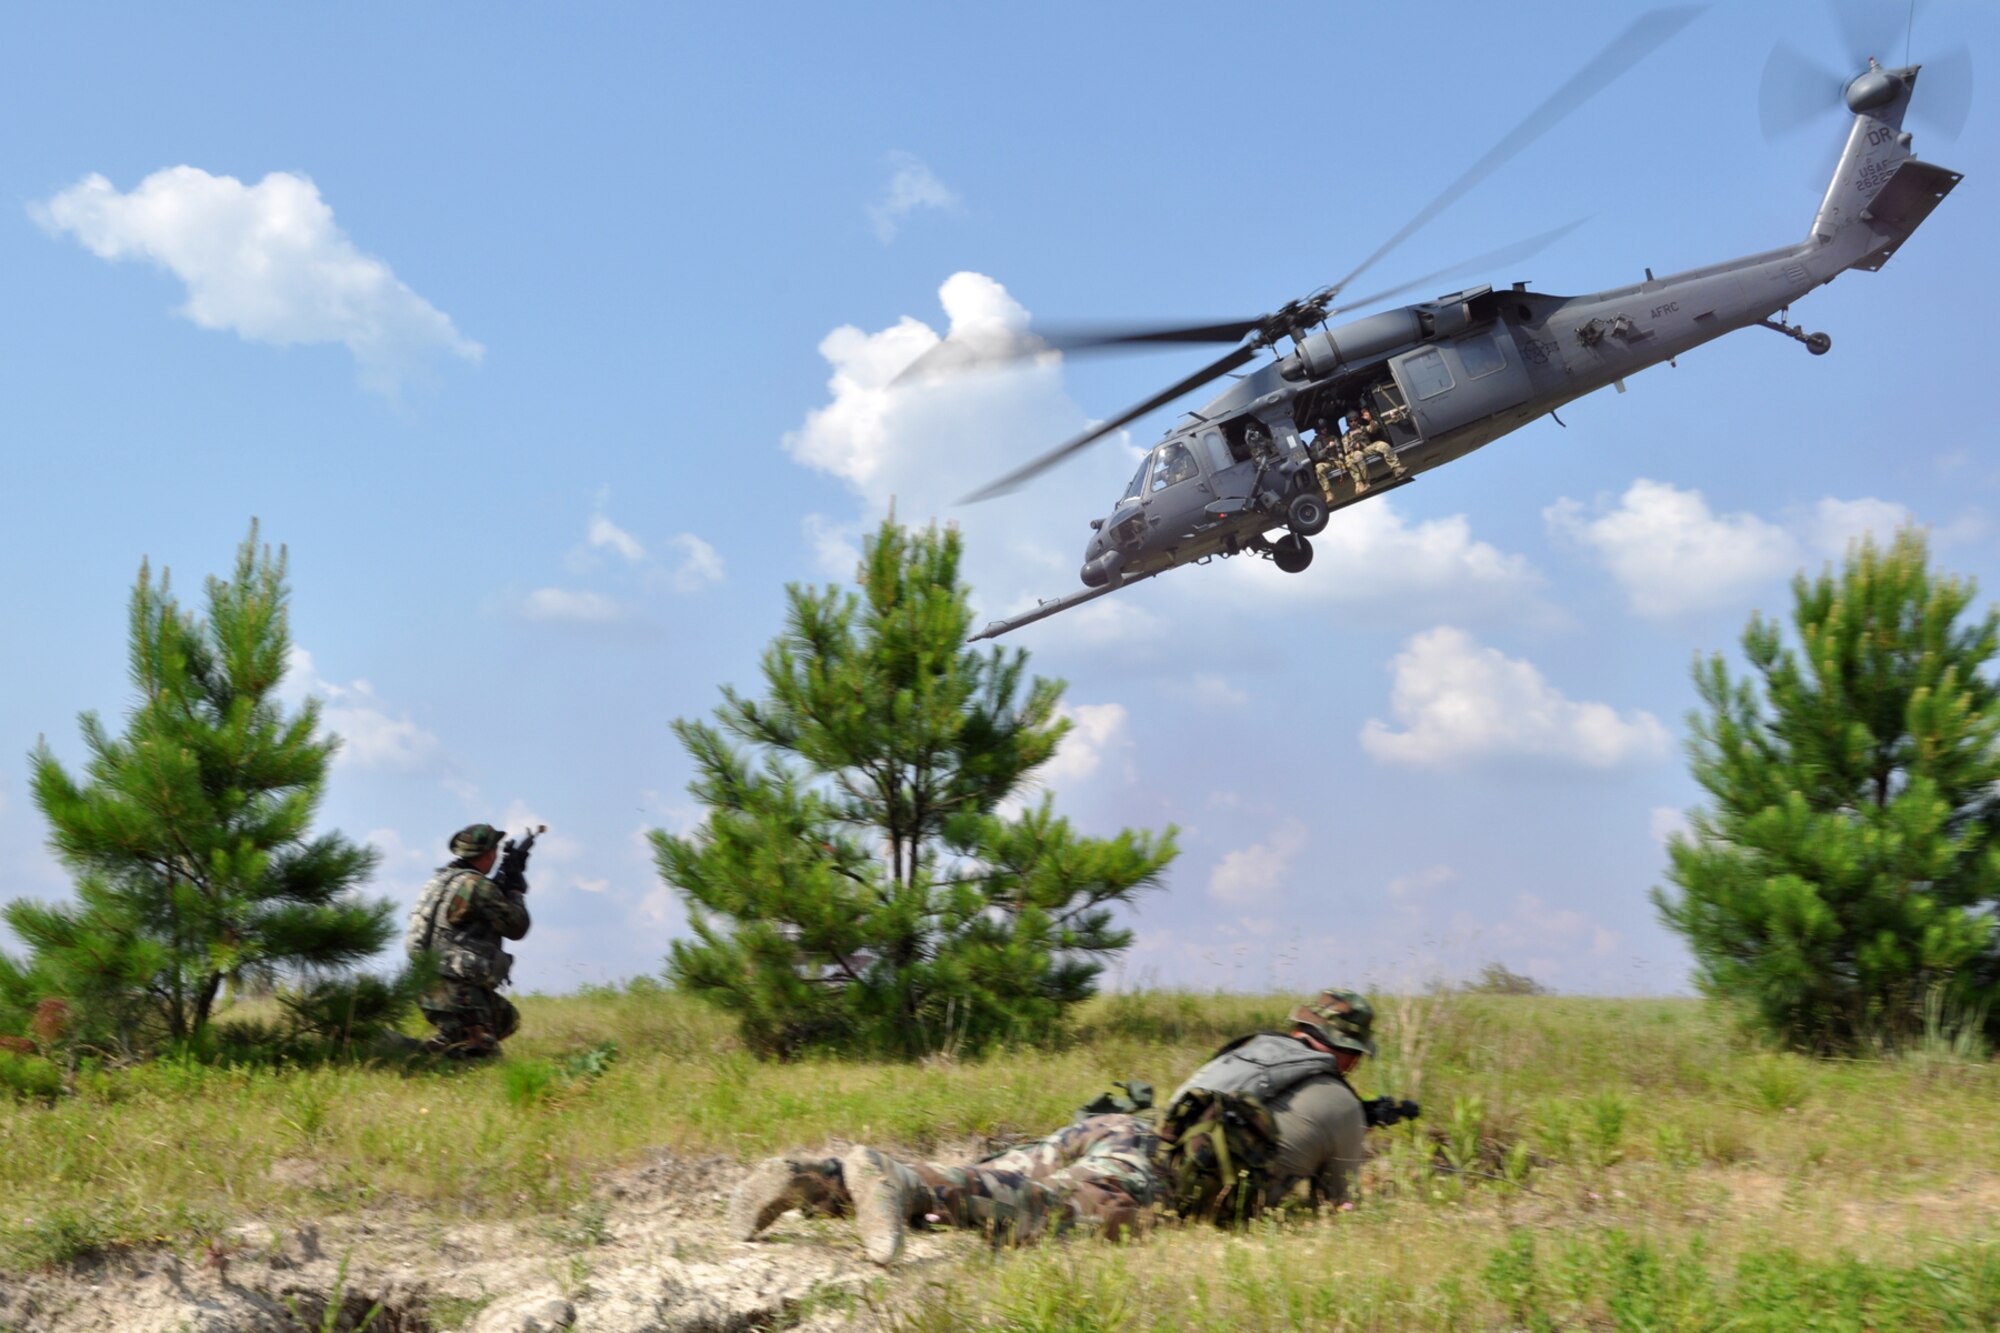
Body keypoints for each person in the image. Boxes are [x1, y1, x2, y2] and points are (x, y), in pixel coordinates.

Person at [729, 987, 1388, 1265]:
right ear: (1348, 1052)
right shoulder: (1338, 1097)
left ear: (1302, 1028)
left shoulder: (1254, 1052)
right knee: (1033, 1207)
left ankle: (816, 1176)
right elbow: (1339, 1208)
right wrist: (1354, 1140)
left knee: (992, 1177)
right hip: (1145, 1173)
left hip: (1117, 1128)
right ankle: (897, 1179)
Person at [407, 823, 531, 1059]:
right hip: (456, 990)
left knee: (505, 1018)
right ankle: (405, 1051)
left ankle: (450, 1038)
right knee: (484, 1061)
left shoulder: (439, 882)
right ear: (488, 853)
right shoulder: (477, 886)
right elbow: (517, 927)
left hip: (425, 985)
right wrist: (514, 890)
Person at [1340, 406, 1407, 494]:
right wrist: (1354, 446)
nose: (1353, 422)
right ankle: (1367, 481)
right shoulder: (1346, 436)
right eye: (1351, 421)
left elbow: (1374, 428)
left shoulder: (1362, 428)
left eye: (1355, 420)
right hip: (1357, 452)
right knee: (1357, 456)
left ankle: (1396, 469)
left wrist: (1370, 420)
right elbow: (1346, 450)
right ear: (1348, 423)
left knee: (1383, 445)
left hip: (1367, 448)